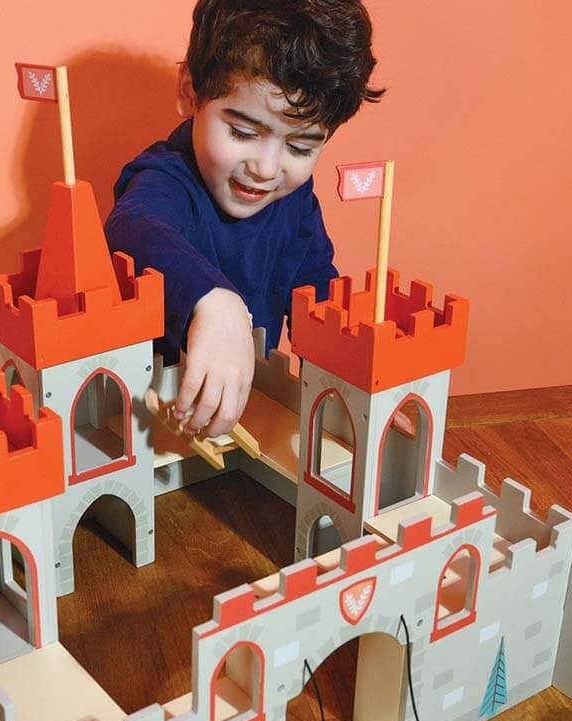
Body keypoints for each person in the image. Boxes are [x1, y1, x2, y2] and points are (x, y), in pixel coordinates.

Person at [105, 0, 384, 438]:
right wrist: (215, 302)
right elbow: (130, 226)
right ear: (190, 92)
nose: (267, 169)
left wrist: (352, 384)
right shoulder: (164, 180)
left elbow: (316, 292)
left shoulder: (294, 199)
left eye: (301, 147)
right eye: (243, 133)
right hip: (151, 426)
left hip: (247, 421)